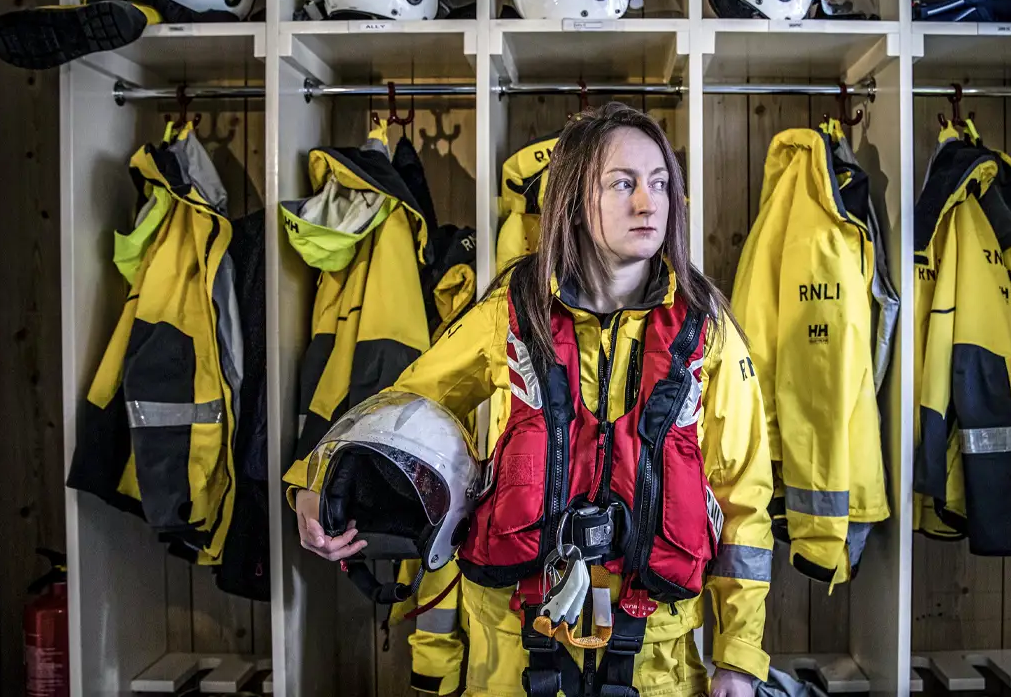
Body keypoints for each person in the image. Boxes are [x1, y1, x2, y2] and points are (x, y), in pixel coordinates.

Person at [290, 102, 773, 697]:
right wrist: (314, 488)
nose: (648, 204)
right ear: (572, 199)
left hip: (658, 656)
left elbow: (744, 496)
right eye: (622, 184)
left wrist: (739, 658)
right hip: (516, 647)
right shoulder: (509, 312)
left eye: (660, 184)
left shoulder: (707, 328)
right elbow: (400, 410)